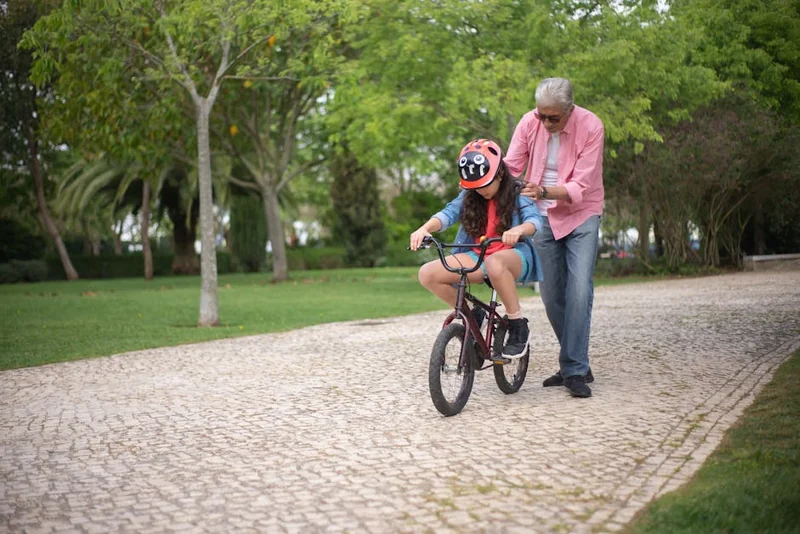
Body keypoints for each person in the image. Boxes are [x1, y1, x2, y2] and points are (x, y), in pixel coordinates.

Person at [505, 77, 604, 397]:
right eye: (541, 115)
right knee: (551, 295)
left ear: (569, 110)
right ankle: (577, 363)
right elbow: (510, 166)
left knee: (578, 290)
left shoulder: (591, 126)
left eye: (553, 117)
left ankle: (573, 369)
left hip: (581, 214)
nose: (545, 122)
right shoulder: (529, 123)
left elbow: (581, 187)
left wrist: (545, 190)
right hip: (540, 217)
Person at [410, 139, 542, 358]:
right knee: (427, 274)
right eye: (475, 186)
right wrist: (424, 228)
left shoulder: (519, 192)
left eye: (484, 184)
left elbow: (535, 222)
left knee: (495, 263)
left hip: (513, 256)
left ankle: (518, 324)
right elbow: (447, 214)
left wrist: (518, 230)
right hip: (479, 256)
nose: (480, 190)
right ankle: (472, 315)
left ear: (500, 173)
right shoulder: (471, 195)